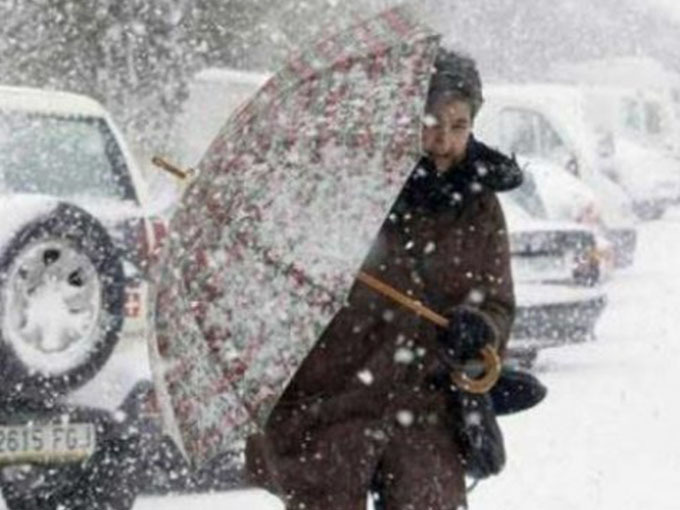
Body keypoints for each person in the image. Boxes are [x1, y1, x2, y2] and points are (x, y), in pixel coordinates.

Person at [245, 48, 523, 510]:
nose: (444, 142)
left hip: (427, 405)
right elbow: (297, 287)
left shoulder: (479, 204)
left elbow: (498, 301)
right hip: (335, 399)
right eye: (431, 124)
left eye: (459, 126)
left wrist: (481, 330)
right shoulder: (348, 188)